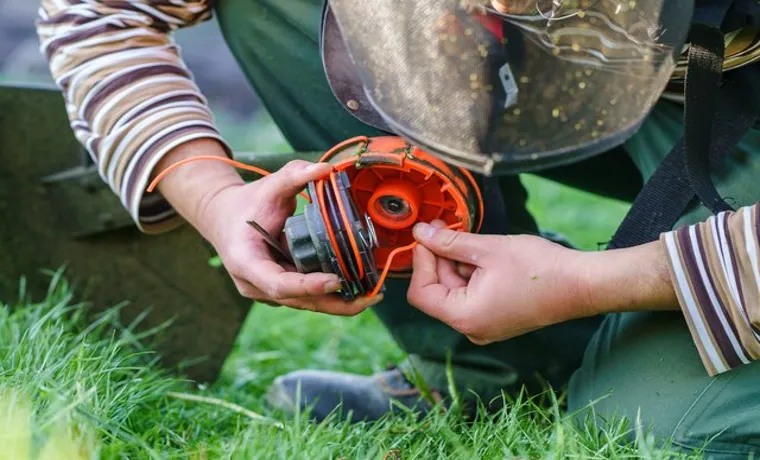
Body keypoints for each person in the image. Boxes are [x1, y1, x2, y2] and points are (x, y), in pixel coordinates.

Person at [36, 0, 760, 456]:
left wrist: (600, 285)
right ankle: (496, 366)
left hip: (739, 85)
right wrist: (211, 195)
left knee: (649, 431)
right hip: (618, 71)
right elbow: (96, 10)